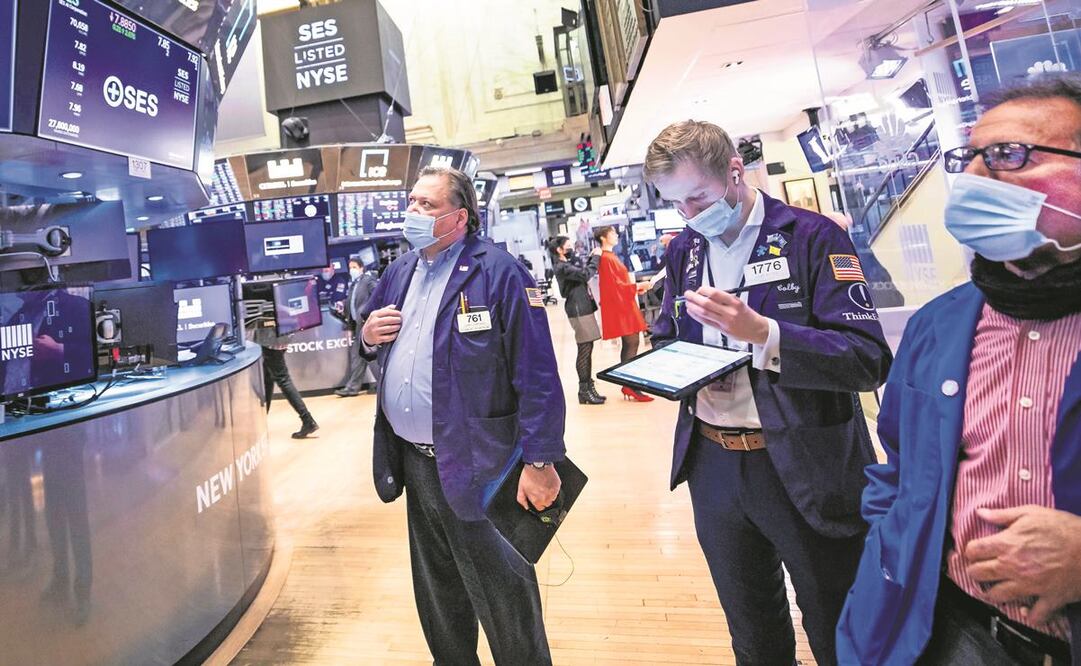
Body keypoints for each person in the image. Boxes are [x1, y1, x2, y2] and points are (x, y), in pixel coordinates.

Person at [837, 75, 1081, 666]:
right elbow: (895, 471)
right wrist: (888, 560)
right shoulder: (938, 326)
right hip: (948, 630)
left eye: (1008, 155)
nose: (972, 178)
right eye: (969, 158)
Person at [644, 119, 892, 666]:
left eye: (698, 198)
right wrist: (667, 364)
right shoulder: (686, 249)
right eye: (675, 204)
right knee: (752, 629)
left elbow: (866, 359)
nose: (689, 215)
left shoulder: (814, 237)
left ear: (735, 171)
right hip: (714, 464)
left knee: (836, 623)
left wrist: (764, 336)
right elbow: (669, 329)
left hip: (804, 460)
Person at [359, 166, 566, 665]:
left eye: (426, 205)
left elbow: (536, 372)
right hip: (416, 464)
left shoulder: (499, 272)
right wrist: (367, 336)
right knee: (440, 602)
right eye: (411, 202)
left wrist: (539, 461)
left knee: (506, 604)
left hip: (485, 465)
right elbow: (373, 342)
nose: (413, 212)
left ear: (461, 217)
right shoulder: (399, 273)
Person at [593, 225, 653, 402]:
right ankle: (629, 384)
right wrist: (637, 286)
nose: (616, 235)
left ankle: (629, 383)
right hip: (621, 306)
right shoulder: (606, 258)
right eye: (612, 233)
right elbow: (614, 286)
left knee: (630, 343)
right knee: (631, 341)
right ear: (603, 237)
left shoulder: (610, 257)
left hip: (623, 303)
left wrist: (635, 289)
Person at [547, 235, 606, 405]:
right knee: (584, 349)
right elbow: (586, 273)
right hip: (578, 309)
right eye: (568, 245)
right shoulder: (562, 266)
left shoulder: (566, 263)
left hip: (583, 308)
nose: (572, 247)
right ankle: (584, 390)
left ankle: (588, 387)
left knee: (588, 347)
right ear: (559, 249)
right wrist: (596, 257)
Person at [251, 327, 318, 439]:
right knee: (268, 376)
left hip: (270, 337)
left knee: (282, 379)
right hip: (282, 333)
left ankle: (308, 420)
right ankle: (262, 421)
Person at [335, 256, 379, 397]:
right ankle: (353, 388)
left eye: (354, 267)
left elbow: (378, 296)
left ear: (361, 267)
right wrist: (349, 326)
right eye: (350, 268)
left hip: (366, 324)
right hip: (357, 326)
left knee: (371, 358)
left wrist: (370, 315)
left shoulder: (368, 281)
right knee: (357, 357)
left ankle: (383, 384)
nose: (352, 270)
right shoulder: (354, 284)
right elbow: (351, 305)